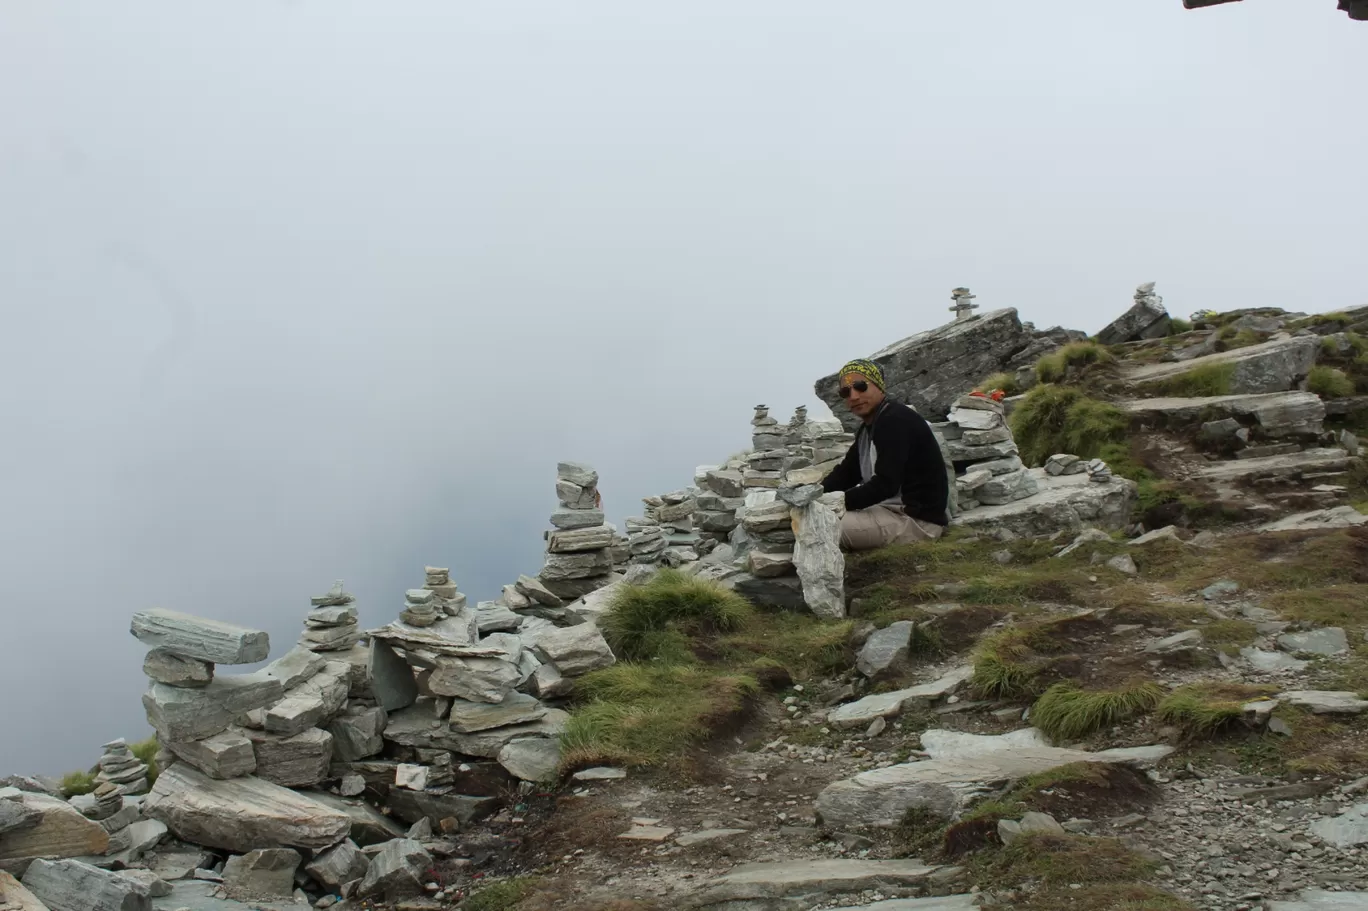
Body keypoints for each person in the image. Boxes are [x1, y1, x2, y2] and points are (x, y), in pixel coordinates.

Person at [820, 358, 950, 551]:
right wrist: (814, 494)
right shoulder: (869, 427)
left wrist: (836, 502)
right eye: (845, 392)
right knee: (813, 516)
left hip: (915, 520)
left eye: (860, 386)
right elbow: (847, 473)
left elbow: (885, 485)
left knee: (818, 527)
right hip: (889, 510)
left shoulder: (894, 420)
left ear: (879, 386)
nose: (853, 396)